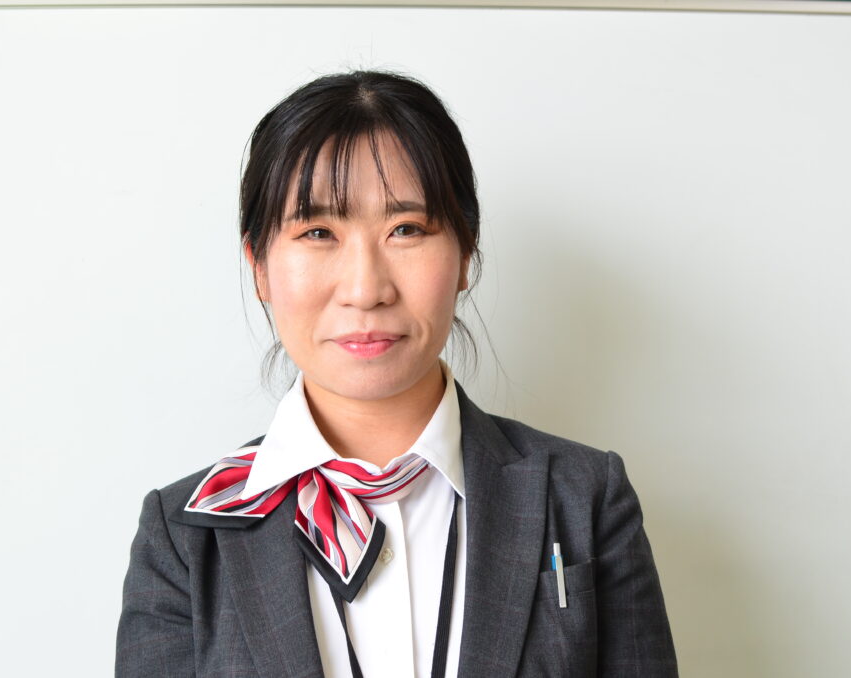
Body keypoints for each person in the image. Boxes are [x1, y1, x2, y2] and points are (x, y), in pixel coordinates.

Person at [115, 70, 678, 678]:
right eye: (318, 233)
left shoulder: (585, 497)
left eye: (405, 229)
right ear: (259, 267)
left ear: (466, 253)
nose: (365, 289)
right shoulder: (183, 539)